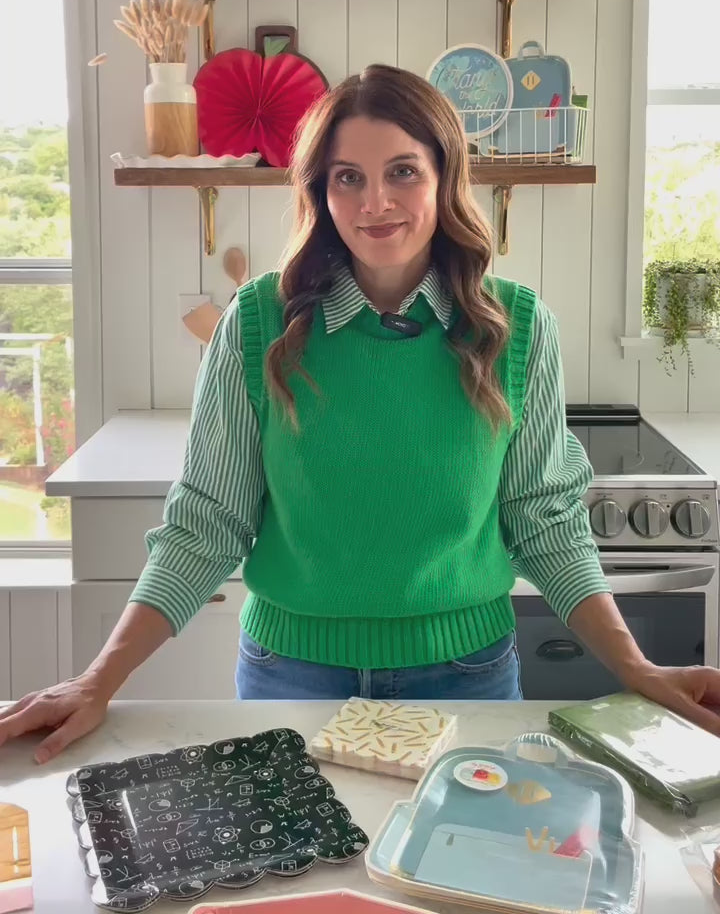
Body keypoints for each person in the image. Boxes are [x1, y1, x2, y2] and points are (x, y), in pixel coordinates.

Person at [2, 64, 720, 764]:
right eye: (349, 177)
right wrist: (98, 681)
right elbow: (205, 524)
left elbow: (545, 521)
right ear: (322, 191)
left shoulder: (517, 326)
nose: (376, 201)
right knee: (300, 882)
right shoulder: (258, 323)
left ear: (444, 178)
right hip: (292, 675)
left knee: (453, 879)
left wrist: (638, 670)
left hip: (466, 676)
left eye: (403, 171)